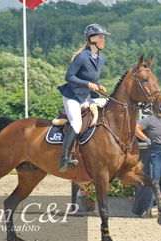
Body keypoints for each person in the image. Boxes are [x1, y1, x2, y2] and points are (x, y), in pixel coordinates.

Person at [57, 24, 109, 172]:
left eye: (103, 37)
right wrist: (88, 84)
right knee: (77, 123)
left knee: (108, 106)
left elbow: (92, 77)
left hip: (86, 96)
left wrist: (99, 85)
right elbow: (69, 77)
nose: (103, 40)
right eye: (101, 37)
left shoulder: (101, 58)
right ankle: (64, 158)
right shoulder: (82, 57)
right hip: (73, 96)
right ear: (92, 39)